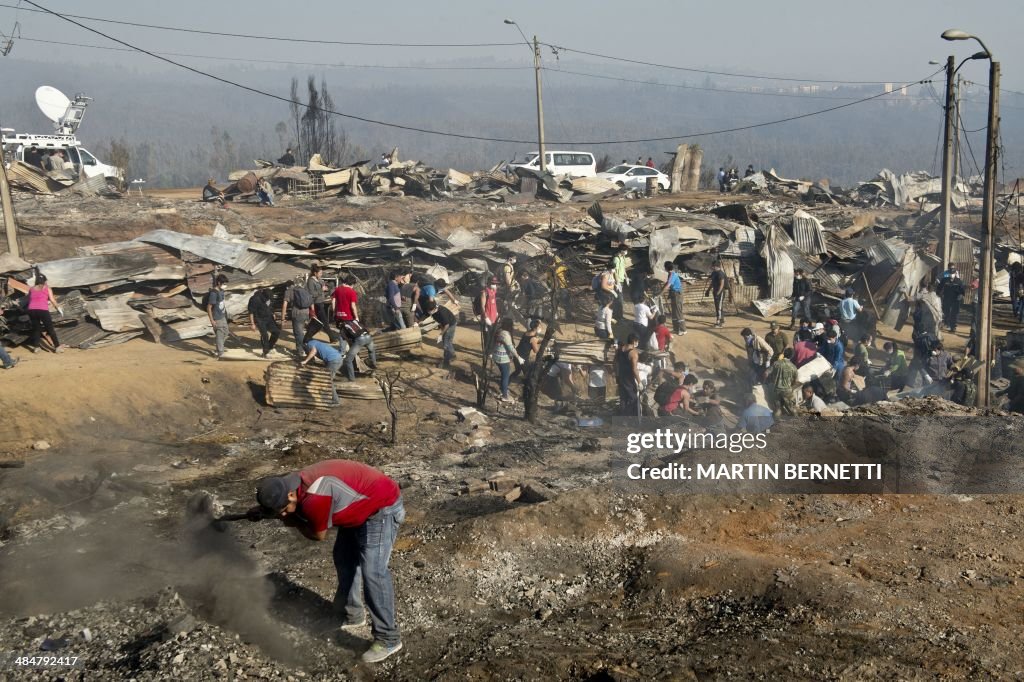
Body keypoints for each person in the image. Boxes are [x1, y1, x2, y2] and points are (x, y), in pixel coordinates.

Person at [252, 460, 404, 663]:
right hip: (358, 507)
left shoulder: (314, 498)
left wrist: (288, 520)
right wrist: (265, 512)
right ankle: (352, 614)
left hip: (381, 509)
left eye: (284, 509)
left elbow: (317, 535)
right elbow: (284, 506)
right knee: (343, 559)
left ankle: (389, 638)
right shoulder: (290, 484)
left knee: (373, 572)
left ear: (290, 495)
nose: (283, 513)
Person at [25, 273, 64, 354]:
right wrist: (59, 308)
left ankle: (36, 348)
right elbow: (53, 300)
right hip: (42, 310)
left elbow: (29, 300)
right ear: (44, 281)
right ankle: (57, 347)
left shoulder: (31, 289)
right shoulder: (47, 288)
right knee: (50, 328)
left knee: (36, 329)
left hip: (32, 310)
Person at [301, 338, 344, 405]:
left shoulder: (309, 344)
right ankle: (332, 397)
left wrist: (305, 361)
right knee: (328, 379)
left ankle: (336, 401)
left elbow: (313, 351)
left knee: (328, 381)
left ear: (305, 344)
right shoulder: (316, 342)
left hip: (333, 361)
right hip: (337, 358)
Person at [282, 276, 314, 356]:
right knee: (303, 332)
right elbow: (311, 303)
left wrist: (283, 318)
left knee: (298, 333)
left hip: (297, 314)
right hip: (306, 313)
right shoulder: (305, 290)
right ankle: (309, 348)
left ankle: (301, 351)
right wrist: (313, 313)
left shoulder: (289, 291)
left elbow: (285, 305)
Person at [493, 317, 522, 402]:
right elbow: (511, 348)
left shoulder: (499, 331)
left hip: (496, 356)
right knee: (505, 377)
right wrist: (518, 357)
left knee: (503, 375)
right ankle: (505, 396)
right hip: (503, 359)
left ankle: (503, 389)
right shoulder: (505, 334)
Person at [307, 264, 337, 342]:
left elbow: (322, 289)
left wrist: (325, 289)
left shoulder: (319, 280)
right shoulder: (310, 281)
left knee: (317, 323)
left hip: (322, 302)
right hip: (316, 304)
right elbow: (312, 294)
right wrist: (321, 290)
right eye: (320, 273)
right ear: (315, 273)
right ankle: (332, 338)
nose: (321, 274)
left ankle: (308, 337)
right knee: (324, 322)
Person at [765, 347, 799, 416]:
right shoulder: (794, 367)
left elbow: (766, 373)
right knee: (792, 409)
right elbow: (796, 381)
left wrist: (765, 381)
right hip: (787, 391)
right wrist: (791, 386)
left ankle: (777, 424)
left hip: (776, 390)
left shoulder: (776, 363)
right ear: (792, 356)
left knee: (778, 409)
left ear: (784, 354)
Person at [425, 299, 457, 369]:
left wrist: (441, 334)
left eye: (429, 310)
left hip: (451, 324)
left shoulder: (442, 312)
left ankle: (447, 360)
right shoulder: (434, 312)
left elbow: (447, 325)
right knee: (448, 341)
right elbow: (441, 322)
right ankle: (452, 355)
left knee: (446, 343)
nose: (428, 312)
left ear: (434, 308)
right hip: (447, 324)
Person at [248, 288, 280, 357]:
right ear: (264, 296)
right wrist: (252, 324)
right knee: (265, 335)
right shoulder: (255, 299)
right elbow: (251, 312)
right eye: (268, 298)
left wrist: (273, 313)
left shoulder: (269, 297)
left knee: (276, 332)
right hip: (260, 319)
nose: (269, 299)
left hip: (269, 317)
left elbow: (270, 306)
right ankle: (265, 352)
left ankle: (270, 347)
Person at [615, 334, 642, 417]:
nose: (637, 343)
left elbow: (616, 363)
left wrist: (617, 375)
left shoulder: (620, 349)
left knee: (623, 398)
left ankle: (622, 418)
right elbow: (634, 369)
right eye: (637, 342)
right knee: (633, 399)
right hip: (628, 378)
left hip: (621, 376)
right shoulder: (633, 353)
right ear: (634, 341)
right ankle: (632, 419)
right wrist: (639, 382)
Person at [205, 274, 230, 358]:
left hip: (222, 316)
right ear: (219, 283)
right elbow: (209, 307)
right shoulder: (214, 293)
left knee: (226, 332)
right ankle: (220, 352)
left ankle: (219, 348)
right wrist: (212, 320)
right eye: (223, 283)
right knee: (219, 334)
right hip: (216, 317)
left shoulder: (221, 291)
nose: (225, 285)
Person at [660, 262, 685, 335]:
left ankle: (683, 329)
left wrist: (661, 293)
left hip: (677, 294)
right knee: (674, 312)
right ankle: (676, 329)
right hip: (674, 294)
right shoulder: (670, 274)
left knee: (678, 312)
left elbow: (668, 285)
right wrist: (661, 290)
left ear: (666, 268)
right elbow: (667, 283)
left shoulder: (673, 275)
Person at [938, 265, 965, 332]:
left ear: (955, 274)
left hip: (955, 300)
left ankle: (953, 327)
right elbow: (939, 288)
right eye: (950, 273)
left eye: (952, 274)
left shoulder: (959, 281)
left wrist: (961, 295)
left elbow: (962, 291)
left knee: (954, 313)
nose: (951, 275)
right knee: (945, 312)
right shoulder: (944, 280)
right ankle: (946, 323)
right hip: (946, 298)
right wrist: (939, 294)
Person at [611, 244, 630, 321]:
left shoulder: (623, 257)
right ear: (621, 250)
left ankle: (618, 315)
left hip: (622, 280)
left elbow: (623, 268)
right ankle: (619, 316)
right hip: (617, 281)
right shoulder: (616, 259)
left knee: (619, 299)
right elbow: (614, 271)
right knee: (619, 299)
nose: (626, 252)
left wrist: (626, 277)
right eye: (625, 250)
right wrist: (617, 282)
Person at [705, 261, 727, 328]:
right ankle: (721, 319)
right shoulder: (714, 273)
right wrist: (708, 290)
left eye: (713, 266)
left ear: (716, 266)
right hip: (715, 291)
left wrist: (718, 293)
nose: (711, 267)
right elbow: (712, 282)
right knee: (718, 307)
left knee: (719, 308)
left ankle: (719, 322)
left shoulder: (720, 274)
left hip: (720, 292)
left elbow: (722, 284)